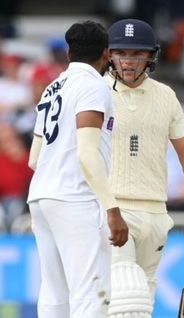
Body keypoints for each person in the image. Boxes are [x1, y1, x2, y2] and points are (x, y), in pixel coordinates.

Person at [105, 19, 184, 317]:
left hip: (155, 213)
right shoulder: (96, 91)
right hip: (112, 209)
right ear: (109, 54)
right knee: (124, 295)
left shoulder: (165, 95)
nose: (128, 61)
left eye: (137, 54)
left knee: (144, 296)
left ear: (151, 56)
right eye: (121, 52)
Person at [26, 21, 129, 318]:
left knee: (54, 290)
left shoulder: (51, 88)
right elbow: (87, 154)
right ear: (107, 53)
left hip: (42, 196)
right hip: (75, 198)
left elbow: (35, 158)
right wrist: (112, 209)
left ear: (69, 53)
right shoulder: (93, 86)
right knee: (90, 291)